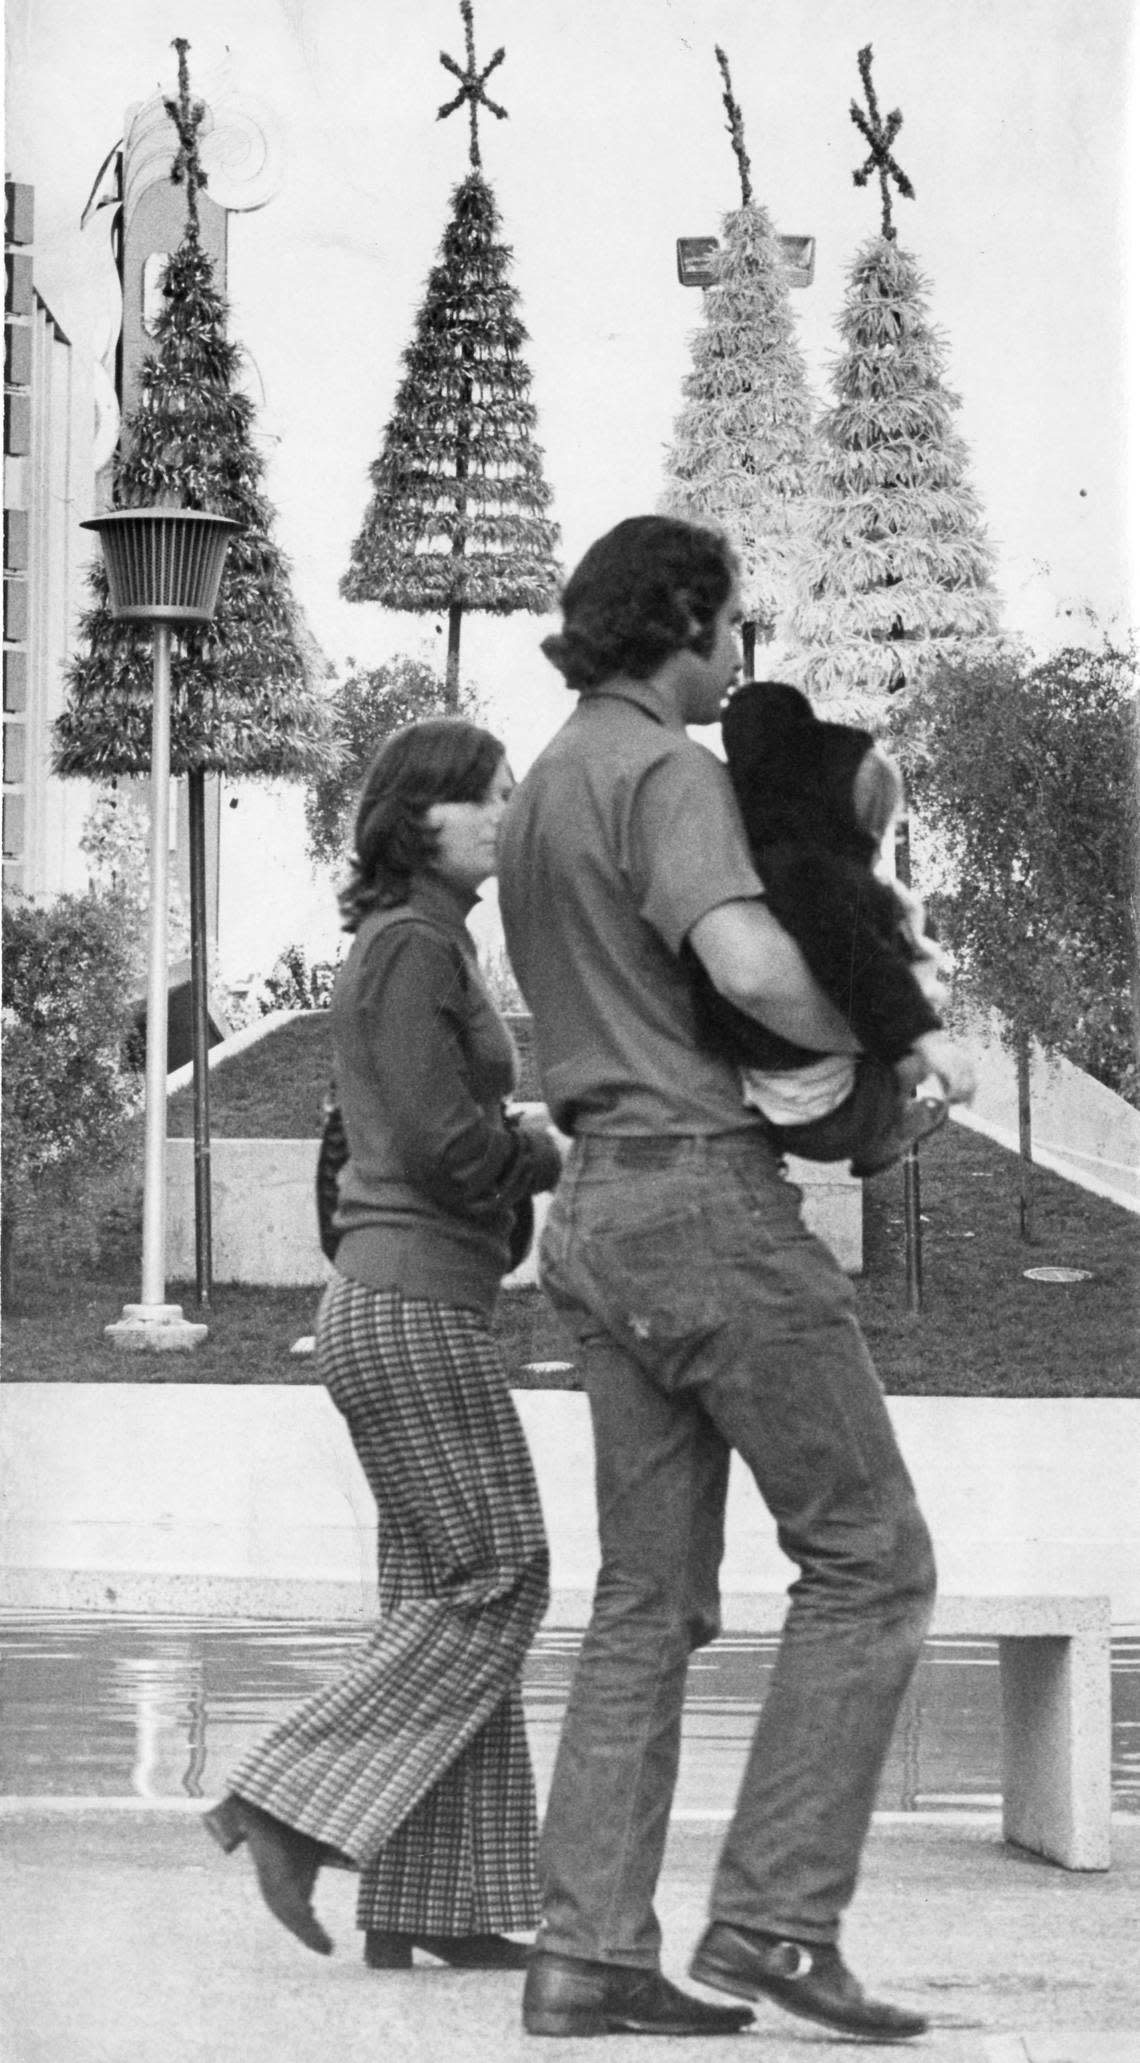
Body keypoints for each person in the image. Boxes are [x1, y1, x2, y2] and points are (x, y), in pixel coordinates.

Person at [497, 515, 976, 2042]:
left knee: (645, 1599)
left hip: (596, 1211)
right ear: (685, 621)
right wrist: (897, 1040)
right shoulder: (668, 772)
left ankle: (583, 1950)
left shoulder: (541, 783)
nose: (737, 658)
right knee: (872, 1555)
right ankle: (771, 1923)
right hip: (706, 1204)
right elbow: (759, 967)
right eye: (730, 628)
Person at [203, 717, 563, 1971]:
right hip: (410, 1302)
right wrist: (545, 1146)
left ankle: (431, 1900)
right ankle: (283, 1795)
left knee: (439, 1592)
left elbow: (423, 1124)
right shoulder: (412, 949)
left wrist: (503, 1125)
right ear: (422, 821)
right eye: (492, 798)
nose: (510, 817)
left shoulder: (419, 944)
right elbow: (438, 1151)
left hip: (400, 1299)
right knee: (500, 1577)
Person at [685, 676, 956, 1177]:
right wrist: (923, 1036)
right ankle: (886, 1126)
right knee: (904, 999)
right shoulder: (815, 878)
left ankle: (882, 1127)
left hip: (766, 1101)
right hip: (840, 1115)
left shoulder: (735, 861)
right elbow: (858, 961)